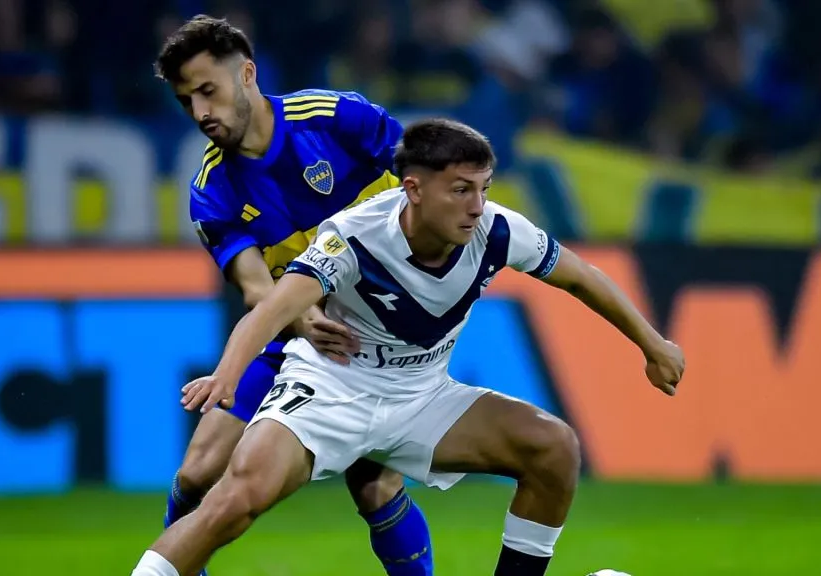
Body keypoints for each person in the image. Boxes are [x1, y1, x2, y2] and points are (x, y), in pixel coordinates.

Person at [130, 118, 686, 576]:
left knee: (554, 447)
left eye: (484, 188)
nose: (477, 206)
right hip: (332, 389)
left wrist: (653, 343)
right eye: (461, 190)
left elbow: (581, 276)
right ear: (414, 189)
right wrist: (228, 374)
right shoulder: (353, 235)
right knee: (238, 496)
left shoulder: (497, 230)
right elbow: (272, 308)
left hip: (421, 396)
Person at [151, 14, 434, 576]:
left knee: (374, 485)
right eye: (188, 101)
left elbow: (423, 182)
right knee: (195, 475)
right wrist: (301, 316)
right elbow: (256, 284)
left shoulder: (335, 118)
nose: (201, 112)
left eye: (209, 90)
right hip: (296, 333)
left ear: (248, 74)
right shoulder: (211, 190)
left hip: (378, 333)